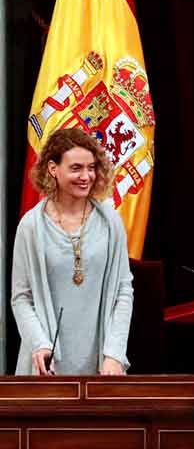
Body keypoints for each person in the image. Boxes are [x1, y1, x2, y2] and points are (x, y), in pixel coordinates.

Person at [11, 128, 132, 376]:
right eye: (76, 168)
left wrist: (114, 354)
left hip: (102, 365)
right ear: (53, 169)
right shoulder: (31, 225)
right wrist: (39, 344)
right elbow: (21, 298)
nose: (86, 176)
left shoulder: (111, 221)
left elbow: (123, 290)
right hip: (46, 368)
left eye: (91, 167)